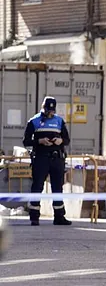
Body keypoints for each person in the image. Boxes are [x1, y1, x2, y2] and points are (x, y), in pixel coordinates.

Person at [22, 96, 72, 226]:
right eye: (48, 110)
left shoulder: (59, 121)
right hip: (41, 158)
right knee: (37, 186)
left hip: (57, 159)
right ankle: (34, 217)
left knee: (57, 188)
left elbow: (67, 140)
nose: (50, 113)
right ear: (43, 108)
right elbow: (26, 141)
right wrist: (39, 141)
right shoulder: (34, 121)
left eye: (52, 111)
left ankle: (59, 217)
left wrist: (60, 141)